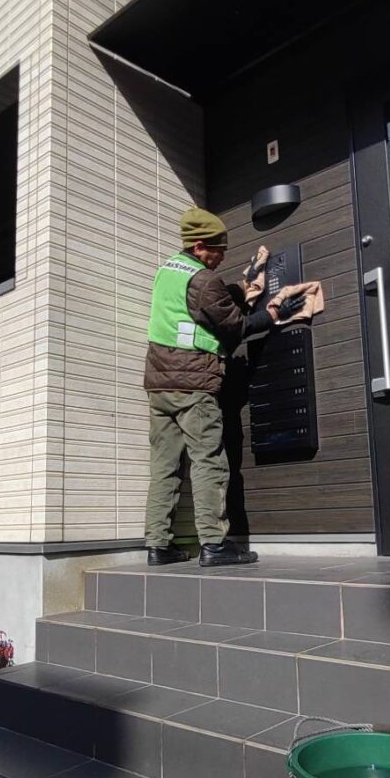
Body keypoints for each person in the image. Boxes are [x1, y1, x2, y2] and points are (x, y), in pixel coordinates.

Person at [143, 207, 277, 567]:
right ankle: (214, 545)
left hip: (160, 385)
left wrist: (238, 289)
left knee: (165, 467)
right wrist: (272, 315)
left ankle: (158, 546)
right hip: (193, 385)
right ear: (200, 246)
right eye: (219, 250)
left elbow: (197, 308)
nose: (222, 257)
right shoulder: (204, 281)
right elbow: (235, 326)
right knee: (209, 462)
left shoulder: (168, 270)